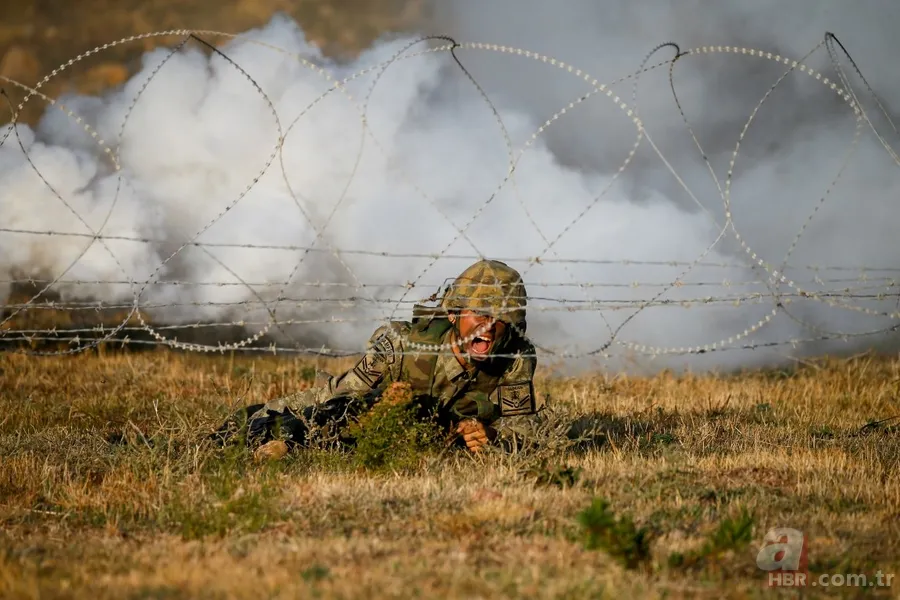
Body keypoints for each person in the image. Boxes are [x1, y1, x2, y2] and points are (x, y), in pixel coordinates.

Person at [213, 259, 540, 460]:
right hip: (370, 422)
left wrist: (490, 436)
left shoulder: (514, 356)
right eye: (479, 314)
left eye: (501, 318)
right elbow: (335, 396)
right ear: (454, 316)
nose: (488, 326)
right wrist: (268, 413)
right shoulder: (402, 345)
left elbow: (525, 432)